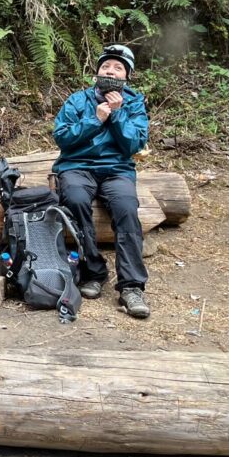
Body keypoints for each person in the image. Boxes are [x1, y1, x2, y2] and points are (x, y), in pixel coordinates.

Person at [52, 44, 151, 319]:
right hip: (77, 167)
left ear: (126, 76)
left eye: (118, 67)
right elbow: (62, 137)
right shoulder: (77, 100)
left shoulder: (133, 103)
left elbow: (134, 143)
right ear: (96, 72)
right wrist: (95, 120)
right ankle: (93, 271)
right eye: (106, 66)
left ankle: (131, 287)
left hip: (117, 169)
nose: (110, 70)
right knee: (75, 199)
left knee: (127, 207)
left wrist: (117, 114)